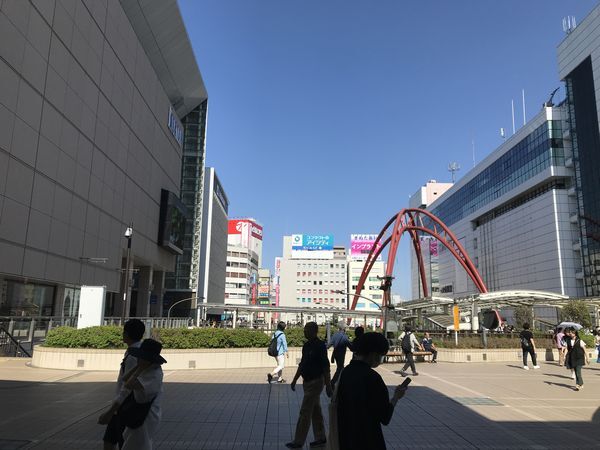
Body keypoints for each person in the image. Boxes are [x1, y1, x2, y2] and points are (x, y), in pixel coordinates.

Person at [334, 332, 408, 450]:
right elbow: (385, 417)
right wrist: (396, 397)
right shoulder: (373, 378)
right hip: (369, 440)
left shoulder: (346, 372)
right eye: (381, 356)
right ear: (373, 355)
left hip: (347, 439)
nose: (380, 360)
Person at [98, 319, 145, 450]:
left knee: (116, 442)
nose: (122, 334)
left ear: (127, 334)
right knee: (110, 441)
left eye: (124, 332)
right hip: (124, 406)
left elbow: (127, 388)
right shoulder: (136, 351)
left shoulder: (132, 356)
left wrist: (111, 411)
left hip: (124, 407)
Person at [286, 322, 333, 449]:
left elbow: (325, 366)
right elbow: (303, 364)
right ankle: (321, 437)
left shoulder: (320, 346)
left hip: (316, 382)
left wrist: (328, 385)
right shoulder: (306, 346)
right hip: (307, 382)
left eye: (307, 329)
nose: (304, 331)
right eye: (304, 329)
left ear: (314, 331)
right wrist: (295, 379)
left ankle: (298, 441)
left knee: (305, 411)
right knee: (315, 411)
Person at [120, 338, 166, 449]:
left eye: (142, 357)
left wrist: (139, 368)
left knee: (138, 444)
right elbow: (125, 378)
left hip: (146, 415)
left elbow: (129, 384)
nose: (138, 359)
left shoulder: (154, 373)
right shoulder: (147, 368)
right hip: (139, 412)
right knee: (134, 443)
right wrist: (138, 366)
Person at [327, 321, 352, 387]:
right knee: (340, 369)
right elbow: (351, 347)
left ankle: (343, 382)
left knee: (341, 369)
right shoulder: (344, 336)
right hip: (341, 355)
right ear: (343, 329)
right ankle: (332, 382)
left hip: (335, 355)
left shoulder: (335, 335)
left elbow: (328, 345)